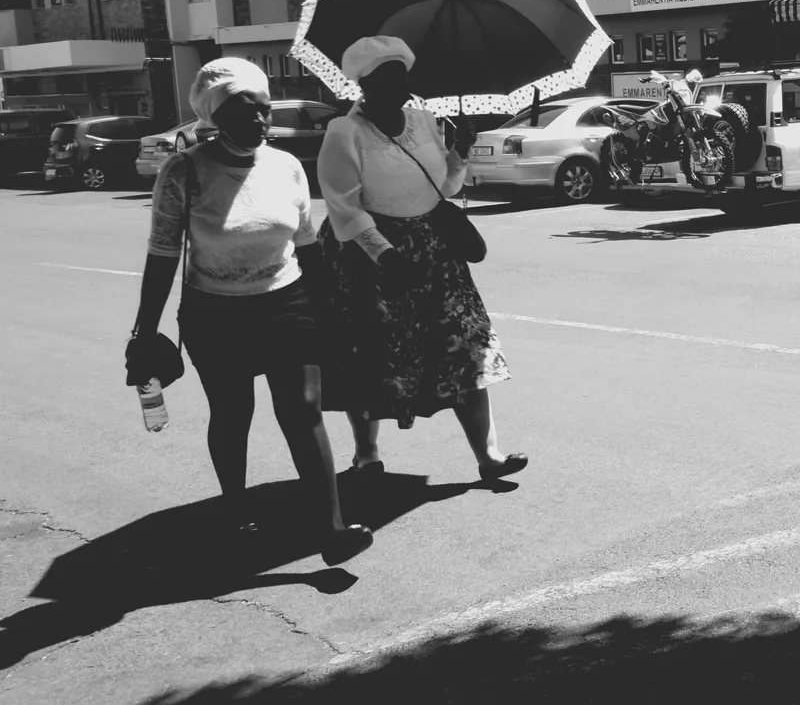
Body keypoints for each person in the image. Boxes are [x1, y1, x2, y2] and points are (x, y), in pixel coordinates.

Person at [126, 58, 372, 561]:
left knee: (303, 412)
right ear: (216, 115)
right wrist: (142, 333)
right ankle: (235, 510)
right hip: (215, 313)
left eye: (264, 110)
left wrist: (330, 310)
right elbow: (162, 256)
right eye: (245, 112)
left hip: (287, 302)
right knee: (234, 412)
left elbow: (306, 246)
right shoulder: (184, 172)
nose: (260, 121)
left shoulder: (285, 167)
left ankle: (332, 528)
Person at [315, 36, 527, 484]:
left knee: (464, 345)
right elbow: (344, 208)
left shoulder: (424, 121)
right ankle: (367, 453)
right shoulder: (344, 133)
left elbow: (445, 188)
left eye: (403, 77)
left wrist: (459, 152)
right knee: (371, 353)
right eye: (388, 79)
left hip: (434, 250)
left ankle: (488, 456)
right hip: (370, 255)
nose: (401, 87)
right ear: (364, 85)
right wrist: (386, 256)